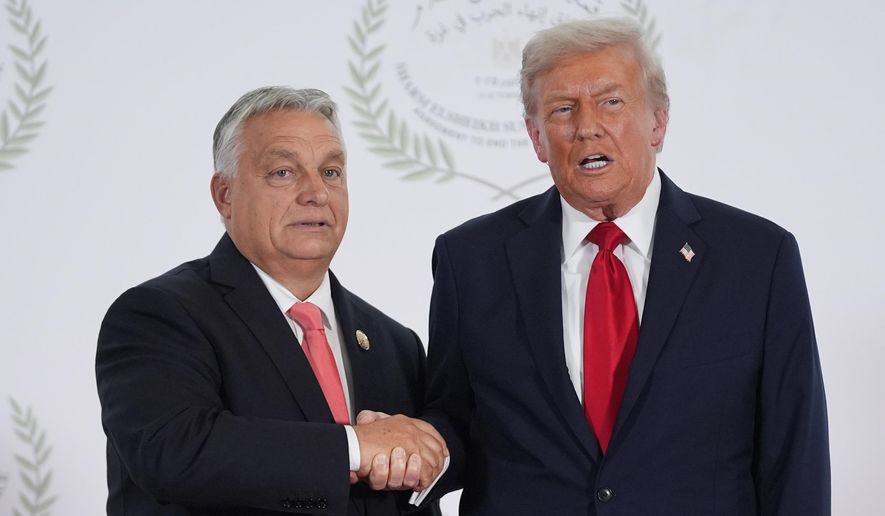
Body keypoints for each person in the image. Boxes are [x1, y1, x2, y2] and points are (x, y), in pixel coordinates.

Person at [411, 17, 830, 515]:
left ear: (658, 121)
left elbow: (794, 459)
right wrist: (407, 446)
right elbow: (453, 423)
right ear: (537, 137)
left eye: (611, 102)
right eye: (563, 109)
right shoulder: (470, 260)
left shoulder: (758, 259)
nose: (587, 126)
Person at [96, 86, 446, 516]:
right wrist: (354, 447)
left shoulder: (395, 344)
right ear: (224, 195)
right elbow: (173, 452)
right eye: (283, 172)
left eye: (331, 172)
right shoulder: (158, 315)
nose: (316, 192)